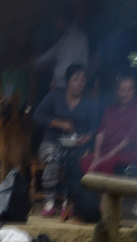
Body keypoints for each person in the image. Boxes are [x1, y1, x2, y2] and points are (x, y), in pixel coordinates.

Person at [32, 64, 98, 216]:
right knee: (52, 158)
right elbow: (37, 116)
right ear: (68, 81)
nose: (80, 83)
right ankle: (49, 201)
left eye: (82, 80)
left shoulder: (89, 101)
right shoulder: (55, 95)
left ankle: (69, 202)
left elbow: (94, 126)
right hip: (52, 141)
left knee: (75, 162)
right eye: (76, 79)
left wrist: (87, 137)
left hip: (76, 144)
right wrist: (60, 123)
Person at [83, 74, 137, 175]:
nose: (125, 94)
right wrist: (96, 156)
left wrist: (105, 157)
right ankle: (91, 190)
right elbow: (100, 134)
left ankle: (106, 191)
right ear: (117, 92)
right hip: (105, 150)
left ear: (134, 91)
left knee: (106, 164)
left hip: (127, 154)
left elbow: (127, 140)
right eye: (122, 90)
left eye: (129, 90)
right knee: (86, 161)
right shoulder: (110, 110)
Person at [35, 6, 89, 91]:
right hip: (63, 82)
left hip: (66, 84)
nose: (55, 24)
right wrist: (39, 60)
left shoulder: (76, 37)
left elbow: (68, 64)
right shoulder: (67, 36)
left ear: (61, 20)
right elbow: (53, 51)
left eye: (56, 21)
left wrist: (55, 74)